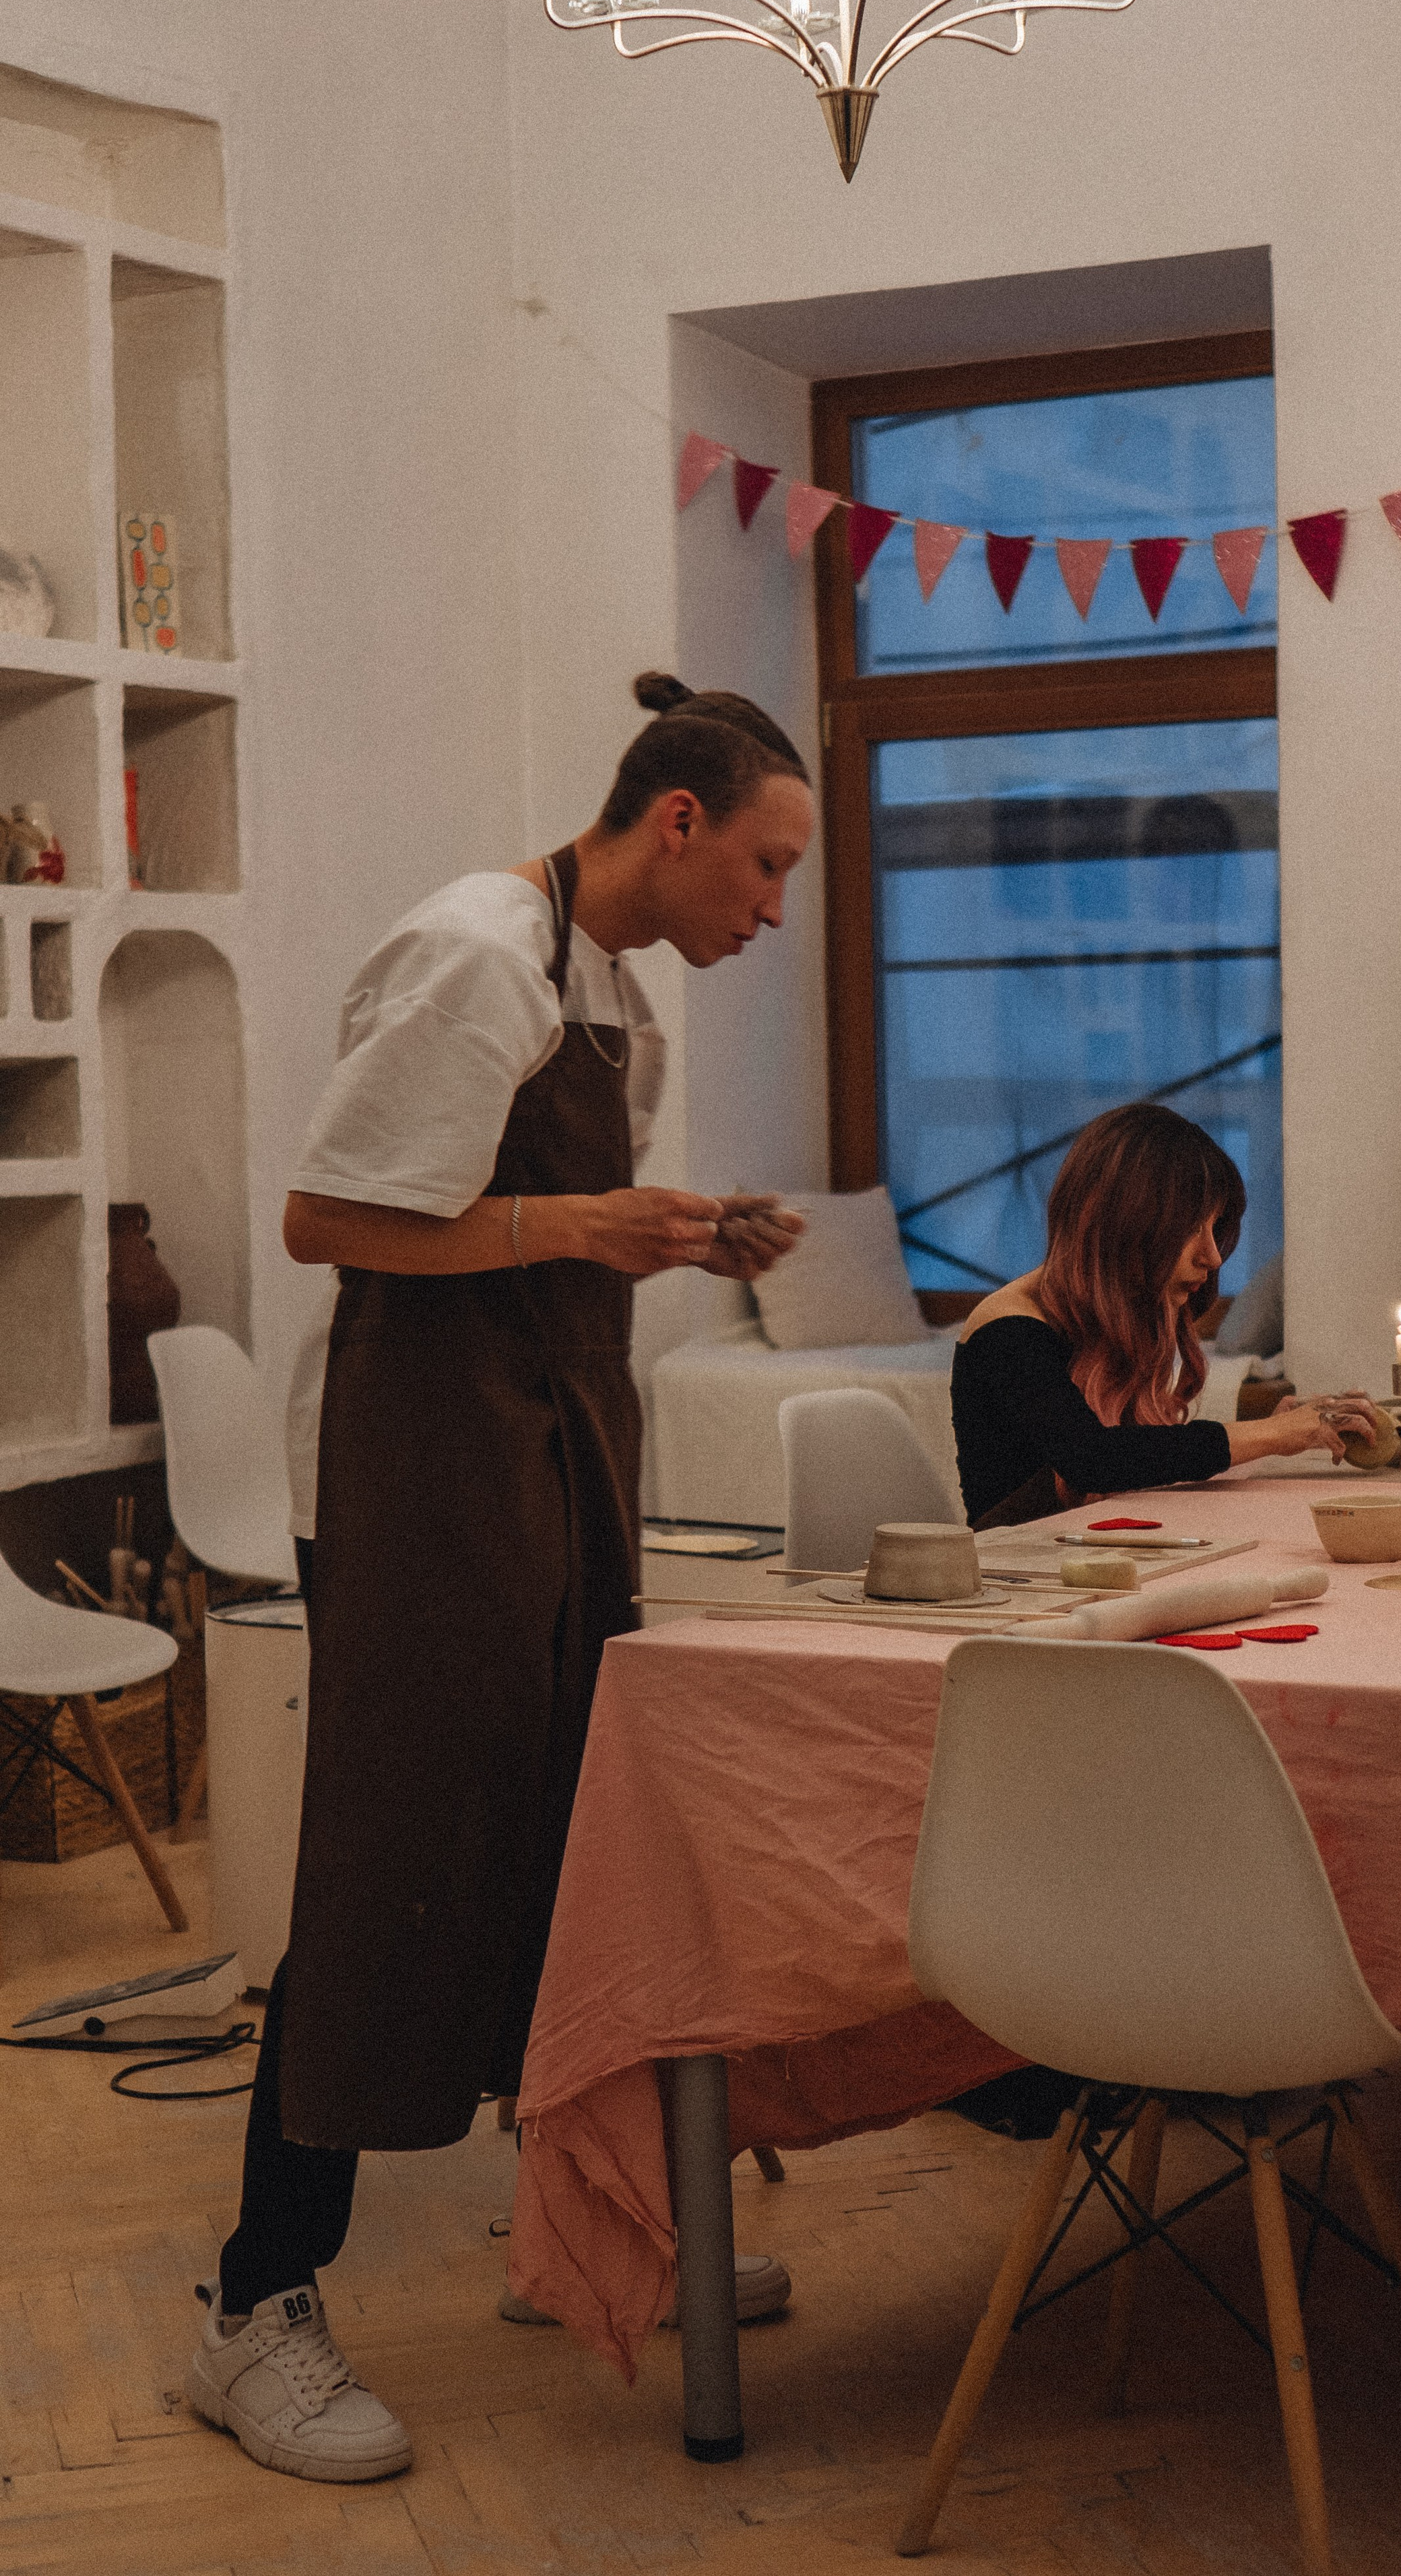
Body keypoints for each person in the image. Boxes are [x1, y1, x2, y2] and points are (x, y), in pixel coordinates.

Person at [188, 672, 812, 2482]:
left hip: (555, 1444)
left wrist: (681, 1229)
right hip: (420, 1464)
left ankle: (585, 2235)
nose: (772, 912)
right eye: (765, 870)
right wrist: (578, 1226)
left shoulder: (616, 991)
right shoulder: (477, 951)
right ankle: (252, 2306)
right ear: (676, 822)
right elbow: (330, 1219)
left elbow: (515, 1215)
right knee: (396, 1858)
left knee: (565, 1833)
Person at [950, 1101, 1377, 1527]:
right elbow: (1093, 1458)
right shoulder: (1008, 1327)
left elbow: (1142, 1458)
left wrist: (1274, 1431)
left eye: (1214, 1228)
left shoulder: (1120, 1312)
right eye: (1192, 1228)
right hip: (1016, 1574)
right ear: (1124, 1224)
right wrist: (1271, 1435)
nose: (1212, 1256)